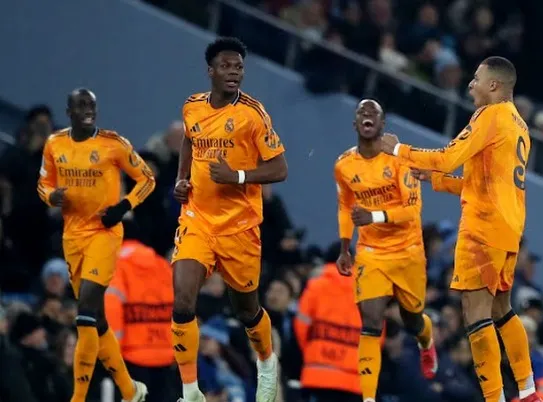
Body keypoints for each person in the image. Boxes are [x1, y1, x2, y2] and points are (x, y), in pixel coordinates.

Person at [381, 57, 540, 402]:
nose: (470, 84)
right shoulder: (519, 125)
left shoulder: (489, 115)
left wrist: (396, 149)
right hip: (508, 229)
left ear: (494, 85)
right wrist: (437, 180)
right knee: (502, 310)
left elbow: (447, 157)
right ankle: (528, 391)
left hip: (483, 228)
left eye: (476, 78)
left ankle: (494, 398)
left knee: (476, 313)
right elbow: (483, 183)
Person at [171, 37, 288, 402]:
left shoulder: (253, 114)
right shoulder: (192, 106)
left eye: (238, 67)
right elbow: (189, 140)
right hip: (197, 219)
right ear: (211, 71)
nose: (234, 72)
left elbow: (280, 168)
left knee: (247, 311)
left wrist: (237, 176)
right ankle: (190, 390)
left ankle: (266, 363)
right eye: (226, 66)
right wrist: (181, 179)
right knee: (183, 301)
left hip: (240, 227)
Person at [36, 88, 155, 402]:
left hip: (105, 234)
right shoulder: (54, 143)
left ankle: (78, 397)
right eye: (81, 105)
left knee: (85, 312)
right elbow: (43, 184)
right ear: (69, 111)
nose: (88, 109)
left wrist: (123, 207)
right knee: (97, 321)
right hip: (72, 237)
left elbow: (147, 179)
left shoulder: (113, 143)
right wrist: (51, 196)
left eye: (92, 105)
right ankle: (130, 390)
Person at [334, 99, 438, 402]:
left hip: (408, 250)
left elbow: (412, 210)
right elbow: (345, 206)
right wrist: (344, 247)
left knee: (412, 319)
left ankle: (426, 339)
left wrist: (375, 216)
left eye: (374, 113)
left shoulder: (399, 160)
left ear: (382, 125)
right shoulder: (344, 165)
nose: (367, 115)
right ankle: (368, 398)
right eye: (362, 112)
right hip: (371, 251)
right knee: (370, 321)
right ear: (355, 124)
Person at [105, 219, 177, 402]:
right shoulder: (162, 265)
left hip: (132, 357)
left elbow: (112, 309)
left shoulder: (116, 264)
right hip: (165, 355)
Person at [295, 241, 363, 402]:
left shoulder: (316, 287)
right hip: (353, 380)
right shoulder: (366, 291)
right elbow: (376, 335)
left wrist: (312, 350)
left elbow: (301, 326)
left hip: (318, 376)